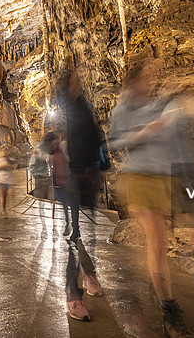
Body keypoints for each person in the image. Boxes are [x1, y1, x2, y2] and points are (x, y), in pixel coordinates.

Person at [109, 62, 194, 337]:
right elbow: (114, 141)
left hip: (162, 176)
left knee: (161, 241)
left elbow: (173, 135)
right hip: (139, 176)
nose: (150, 82)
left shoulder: (156, 105)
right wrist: (142, 134)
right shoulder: (123, 108)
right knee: (157, 239)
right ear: (134, 81)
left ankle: (159, 287)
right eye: (145, 78)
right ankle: (169, 309)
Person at [56, 68, 105, 320]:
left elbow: (96, 137)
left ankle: (89, 275)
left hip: (89, 173)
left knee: (88, 231)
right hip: (74, 177)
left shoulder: (84, 106)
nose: (79, 82)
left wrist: (102, 165)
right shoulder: (66, 106)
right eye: (74, 80)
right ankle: (73, 296)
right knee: (73, 235)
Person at [0, 145, 16, 218]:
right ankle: (3, 210)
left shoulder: (10, 159)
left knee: (11, 194)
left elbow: (13, 167)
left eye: (7, 150)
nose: (5, 152)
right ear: (1, 151)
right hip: (1, 180)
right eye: (4, 150)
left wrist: (7, 165)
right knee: (3, 196)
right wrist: (5, 165)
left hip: (9, 180)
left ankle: (12, 209)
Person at [29, 132, 56, 200]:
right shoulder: (40, 149)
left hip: (46, 176)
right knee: (40, 197)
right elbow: (46, 158)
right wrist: (37, 175)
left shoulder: (46, 148)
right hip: (41, 177)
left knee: (47, 197)